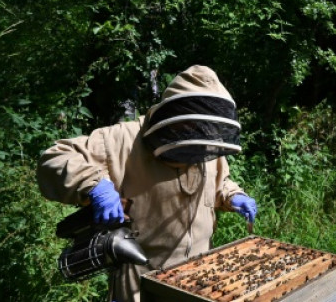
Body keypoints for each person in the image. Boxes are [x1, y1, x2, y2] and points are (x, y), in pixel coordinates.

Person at [37, 65, 258, 302]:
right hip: (140, 281)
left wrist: (232, 195)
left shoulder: (202, 142)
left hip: (198, 276)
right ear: (173, 114)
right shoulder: (122, 139)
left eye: (203, 129)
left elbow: (217, 182)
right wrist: (95, 185)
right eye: (190, 128)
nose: (198, 136)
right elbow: (54, 159)